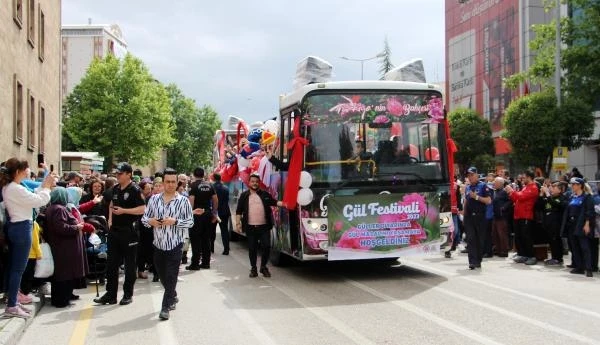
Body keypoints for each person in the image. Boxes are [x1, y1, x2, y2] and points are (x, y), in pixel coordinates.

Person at [1, 158, 54, 318]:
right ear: (18, 171)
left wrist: (44, 186)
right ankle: (12, 305)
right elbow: (40, 200)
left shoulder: (11, 187)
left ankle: (13, 302)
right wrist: (47, 187)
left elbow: (33, 197)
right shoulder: (15, 188)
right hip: (22, 228)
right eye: (26, 168)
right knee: (18, 269)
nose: (28, 170)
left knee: (14, 268)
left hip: (17, 227)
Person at [141, 169, 193, 320]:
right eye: (167, 182)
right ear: (163, 183)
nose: (170, 185)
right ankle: (173, 295)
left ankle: (165, 307)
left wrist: (175, 221)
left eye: (173, 182)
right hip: (158, 245)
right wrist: (150, 221)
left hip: (176, 244)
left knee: (171, 275)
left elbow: (190, 222)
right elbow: (145, 219)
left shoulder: (183, 201)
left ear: (177, 183)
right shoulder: (154, 199)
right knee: (162, 275)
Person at [94, 163, 145, 306]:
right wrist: (110, 219)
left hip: (129, 231)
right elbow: (111, 204)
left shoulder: (135, 189)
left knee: (129, 265)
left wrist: (124, 211)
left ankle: (127, 294)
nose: (118, 176)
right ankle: (111, 294)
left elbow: (142, 209)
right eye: (117, 173)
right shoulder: (115, 188)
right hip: (115, 231)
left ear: (128, 174)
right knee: (112, 264)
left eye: (120, 173)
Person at [45, 187, 90, 307]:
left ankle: (62, 298)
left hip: (61, 246)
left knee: (61, 275)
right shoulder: (59, 209)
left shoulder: (52, 208)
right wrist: (77, 227)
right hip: (65, 247)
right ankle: (62, 300)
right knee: (64, 275)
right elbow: (61, 227)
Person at [235, 173, 287, 277]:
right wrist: (238, 224)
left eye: (257, 182)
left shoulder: (265, 194)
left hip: (264, 227)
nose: (255, 183)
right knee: (252, 249)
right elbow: (239, 211)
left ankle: (263, 267)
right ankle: (253, 269)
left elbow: (275, 202)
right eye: (253, 182)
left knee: (267, 246)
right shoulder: (244, 196)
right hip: (250, 227)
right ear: (249, 183)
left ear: (259, 183)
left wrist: (287, 203)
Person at [560, 177, 595, 277]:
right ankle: (579, 266)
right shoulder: (572, 197)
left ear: (580, 185)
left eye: (574, 184)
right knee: (574, 247)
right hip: (572, 225)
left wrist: (587, 224)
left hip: (581, 224)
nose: (572, 186)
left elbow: (589, 211)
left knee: (584, 247)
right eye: (572, 184)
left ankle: (588, 268)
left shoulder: (587, 197)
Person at [186, 168, 218, 270]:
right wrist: (214, 212)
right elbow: (215, 199)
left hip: (196, 214)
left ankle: (195, 264)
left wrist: (189, 214)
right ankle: (206, 263)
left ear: (194, 175)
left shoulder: (193, 186)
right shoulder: (210, 185)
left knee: (195, 239)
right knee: (206, 239)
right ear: (203, 174)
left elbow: (191, 200)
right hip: (207, 214)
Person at [506, 170, 539, 265]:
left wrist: (512, 191)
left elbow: (521, 197)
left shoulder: (533, 188)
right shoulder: (525, 187)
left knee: (526, 237)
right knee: (519, 236)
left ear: (529, 177)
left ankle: (531, 256)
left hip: (526, 215)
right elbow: (516, 198)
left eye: (524, 178)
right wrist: (511, 193)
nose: (522, 180)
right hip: (518, 215)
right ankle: (522, 254)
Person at [462, 167, 492, 270]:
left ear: (476, 175)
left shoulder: (483, 186)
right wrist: (464, 214)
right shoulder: (468, 187)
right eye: (468, 175)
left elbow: (488, 201)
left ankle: (478, 260)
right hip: (469, 217)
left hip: (480, 216)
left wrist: (476, 197)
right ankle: (472, 262)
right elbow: (466, 201)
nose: (470, 177)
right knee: (470, 239)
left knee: (479, 240)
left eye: (471, 175)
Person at [541, 181, 567, 265]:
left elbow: (556, 204)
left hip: (556, 224)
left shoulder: (562, 198)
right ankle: (553, 257)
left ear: (560, 190)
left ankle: (558, 258)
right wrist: (541, 194)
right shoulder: (549, 198)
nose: (551, 189)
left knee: (556, 241)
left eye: (554, 187)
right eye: (551, 187)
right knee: (551, 242)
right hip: (548, 224)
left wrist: (548, 194)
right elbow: (539, 206)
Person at [491, 177, 512, 257]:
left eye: (495, 182)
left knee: (502, 234)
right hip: (495, 216)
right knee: (495, 234)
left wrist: (503, 208)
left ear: (500, 184)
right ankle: (498, 250)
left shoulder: (504, 191)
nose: (494, 184)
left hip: (502, 216)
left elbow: (510, 200)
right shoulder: (495, 192)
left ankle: (504, 251)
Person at [212, 173, 231, 255]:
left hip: (214, 212)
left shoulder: (212, 187)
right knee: (224, 231)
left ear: (213, 178)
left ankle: (211, 248)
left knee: (212, 230)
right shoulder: (226, 188)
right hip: (224, 212)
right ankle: (226, 249)